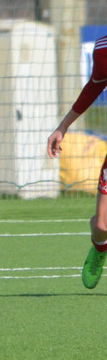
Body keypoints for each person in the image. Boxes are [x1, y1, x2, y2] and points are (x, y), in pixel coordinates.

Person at [47, 32, 107, 289]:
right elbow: (93, 88)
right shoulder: (104, 49)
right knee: (102, 225)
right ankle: (100, 249)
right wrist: (63, 127)